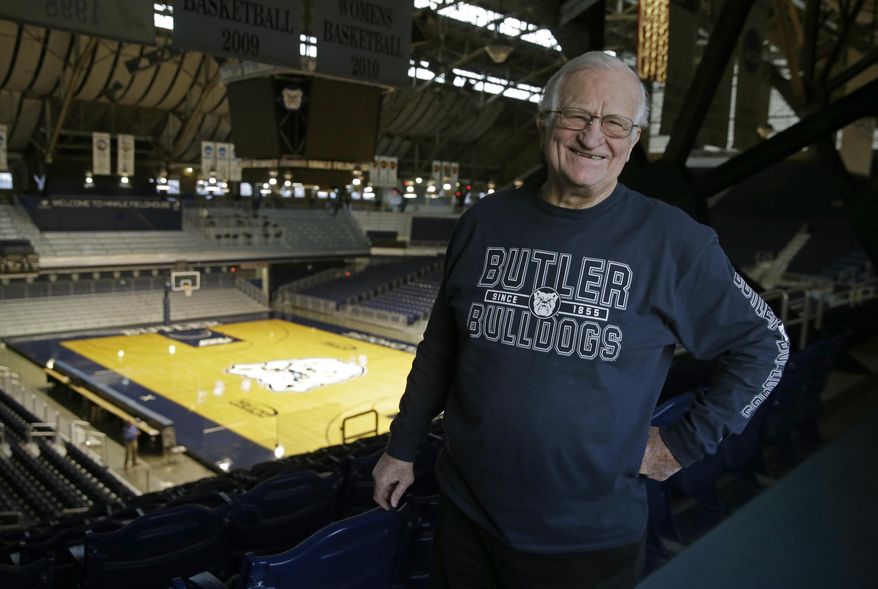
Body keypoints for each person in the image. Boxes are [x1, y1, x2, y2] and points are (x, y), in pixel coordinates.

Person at [372, 51, 790, 589]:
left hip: (586, 541)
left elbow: (768, 344)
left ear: (634, 138)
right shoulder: (485, 222)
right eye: (576, 116)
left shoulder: (675, 242)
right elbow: (439, 350)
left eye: (615, 122)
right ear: (543, 121)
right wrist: (401, 448)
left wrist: (684, 444)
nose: (593, 138)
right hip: (466, 515)